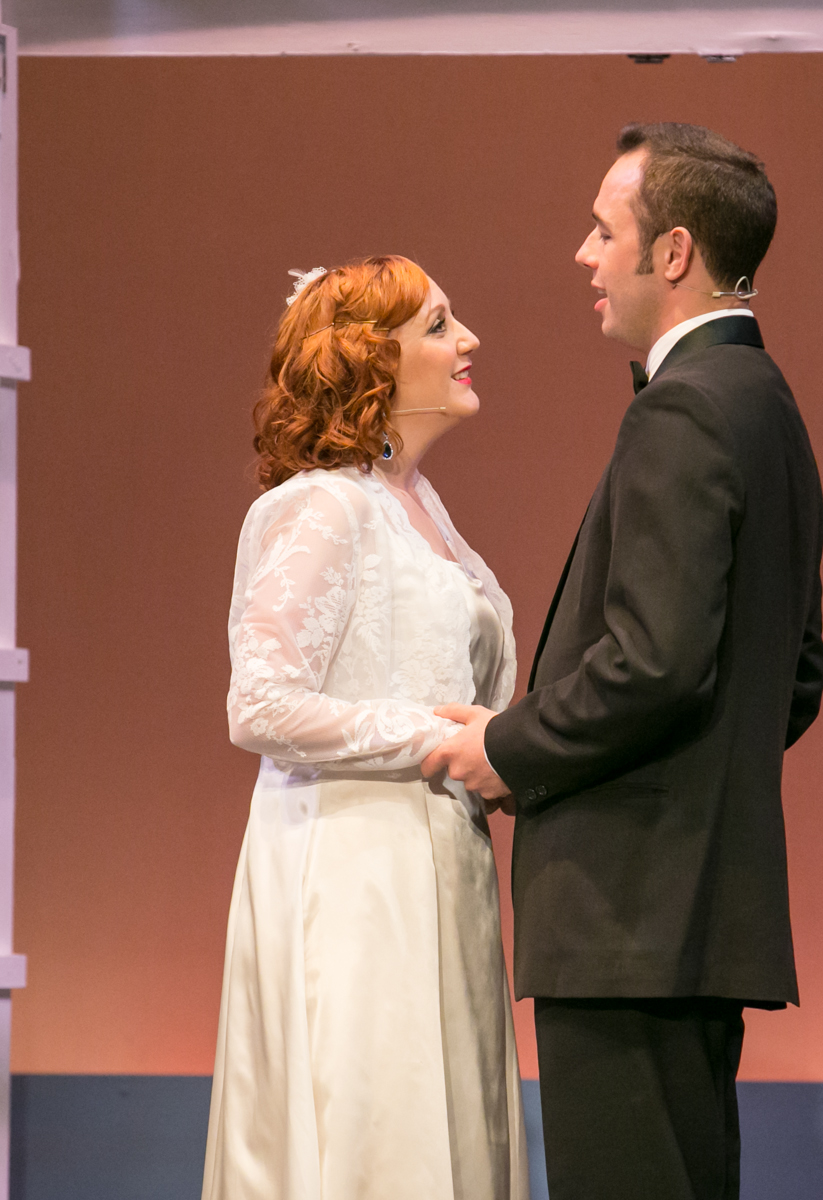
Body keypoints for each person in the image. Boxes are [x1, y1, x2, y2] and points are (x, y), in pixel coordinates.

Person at [423, 123, 823, 1200]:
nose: (584, 256)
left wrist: (508, 746)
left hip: (628, 916)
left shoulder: (684, 407)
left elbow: (654, 664)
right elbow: (792, 678)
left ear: (674, 252)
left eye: (605, 232)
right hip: (691, 918)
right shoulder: (766, 402)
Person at [202, 256, 528, 1200]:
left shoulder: (418, 506)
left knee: (449, 1130)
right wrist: (434, 736)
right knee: (372, 1133)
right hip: (356, 873)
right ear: (370, 360)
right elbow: (261, 703)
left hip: (443, 860)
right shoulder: (322, 504)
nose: (467, 341)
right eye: (438, 325)